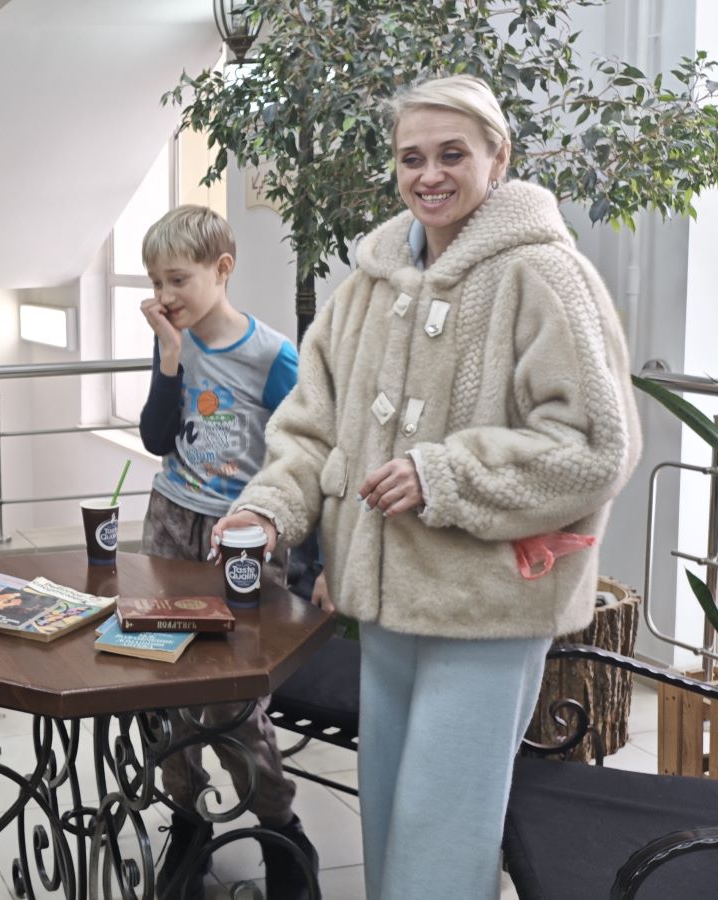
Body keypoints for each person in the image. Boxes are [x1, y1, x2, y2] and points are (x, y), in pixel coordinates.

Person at [214, 74, 639, 899]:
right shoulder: (369, 285)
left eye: (452, 154)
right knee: (391, 819)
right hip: (387, 607)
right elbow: (309, 426)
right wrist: (268, 510)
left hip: (486, 608)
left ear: (497, 157)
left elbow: (593, 445)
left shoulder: (544, 275)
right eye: (412, 158)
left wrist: (445, 473)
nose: (429, 175)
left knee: (444, 832)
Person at [135, 204, 322, 899]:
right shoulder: (173, 340)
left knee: (232, 702)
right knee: (160, 684)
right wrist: (169, 358)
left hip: (242, 540)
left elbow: (309, 456)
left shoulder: (273, 357)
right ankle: (188, 821)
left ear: (222, 269)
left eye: (177, 279)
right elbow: (157, 438)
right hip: (169, 523)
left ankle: (281, 831)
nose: (165, 295)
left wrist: (318, 564)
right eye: (156, 281)